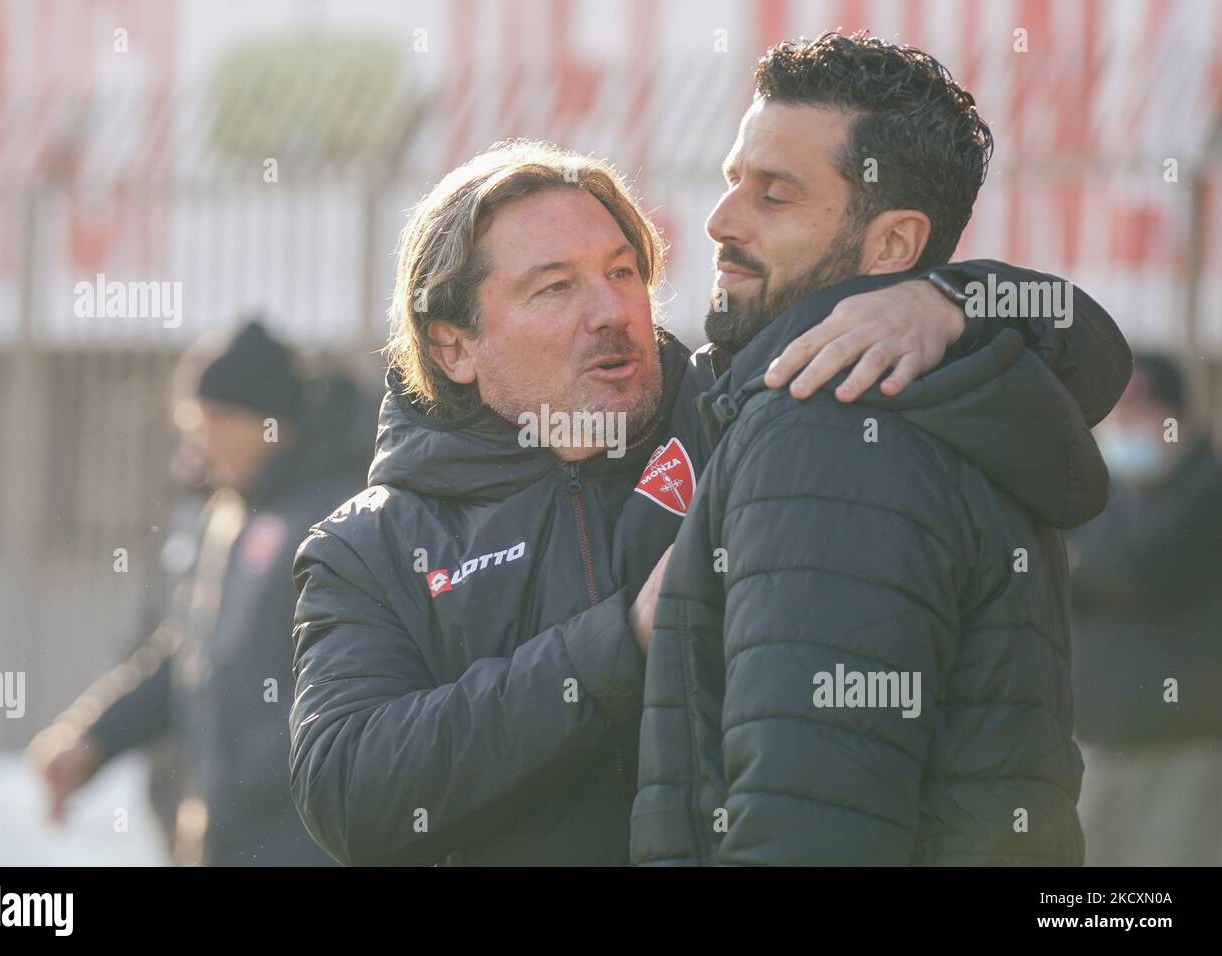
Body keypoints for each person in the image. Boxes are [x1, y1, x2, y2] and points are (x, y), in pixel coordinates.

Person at [288, 133, 1126, 864]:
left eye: (623, 272)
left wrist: (949, 301)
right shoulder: (369, 547)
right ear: (453, 345)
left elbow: (1086, 354)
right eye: (555, 288)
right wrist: (626, 637)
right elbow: (348, 791)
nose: (612, 312)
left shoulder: (744, 411)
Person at [631, 32, 1129, 866]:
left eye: (775, 195)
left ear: (894, 245)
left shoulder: (830, 429)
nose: (720, 221)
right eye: (732, 183)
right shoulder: (936, 395)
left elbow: (808, 824)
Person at [32, 319, 369, 865]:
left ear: (270, 424)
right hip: (225, 836)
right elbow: (190, 653)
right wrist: (95, 739)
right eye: (192, 423)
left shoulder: (337, 519)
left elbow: (359, 686)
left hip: (304, 842)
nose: (198, 442)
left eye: (213, 420)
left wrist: (255, 781)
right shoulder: (227, 514)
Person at [1069, 353, 1222, 865]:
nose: (1125, 430)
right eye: (1118, 418)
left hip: (1181, 748)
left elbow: (1144, 570)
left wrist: (1082, 555)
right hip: (1099, 742)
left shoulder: (1208, 489)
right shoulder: (1113, 497)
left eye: (1142, 416)